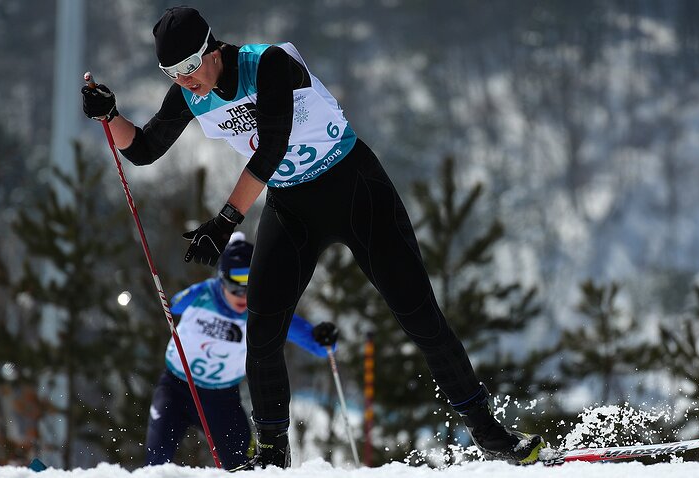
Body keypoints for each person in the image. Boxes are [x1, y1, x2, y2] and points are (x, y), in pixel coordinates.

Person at [81, 5, 544, 469]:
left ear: (213, 50)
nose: (183, 80)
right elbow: (141, 150)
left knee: (419, 316)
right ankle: (272, 454)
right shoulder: (189, 94)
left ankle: (490, 433)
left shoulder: (268, 64)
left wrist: (225, 221)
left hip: (354, 189)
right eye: (169, 72)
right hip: (292, 206)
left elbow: (273, 147)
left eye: (188, 67)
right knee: (261, 334)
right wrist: (110, 115)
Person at [145, 233, 338, 469]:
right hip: (176, 389)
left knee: (242, 465)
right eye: (234, 288)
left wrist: (324, 337)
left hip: (222, 399)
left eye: (249, 289)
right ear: (221, 281)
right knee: (156, 460)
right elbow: (172, 304)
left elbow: (318, 346)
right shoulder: (204, 294)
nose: (242, 297)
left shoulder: (263, 311)